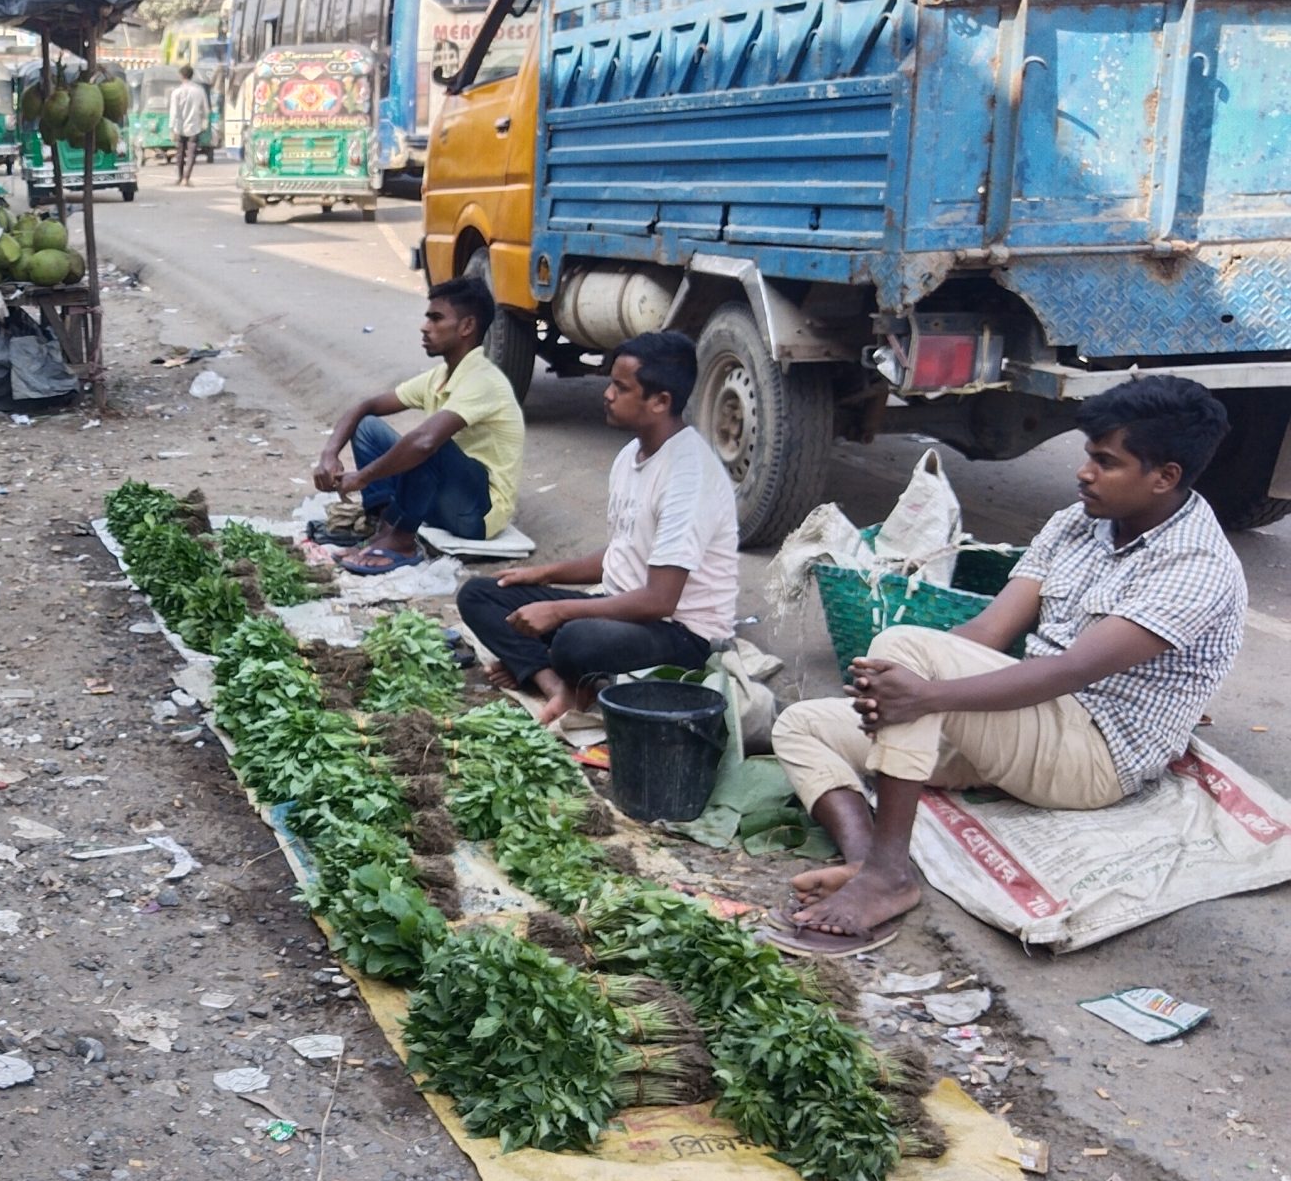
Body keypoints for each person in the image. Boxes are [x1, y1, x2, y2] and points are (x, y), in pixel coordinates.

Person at [766, 376, 1247, 957]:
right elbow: (986, 633)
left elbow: (1068, 672)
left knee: (909, 655)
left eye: (1105, 461)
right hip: (1020, 727)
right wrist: (893, 689)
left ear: (1165, 477)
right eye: (1087, 455)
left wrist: (925, 694)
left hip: (1091, 754)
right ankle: (868, 860)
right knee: (803, 723)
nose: (1084, 472)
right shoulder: (1075, 524)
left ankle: (889, 874)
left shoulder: (1194, 564)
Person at [456, 330, 737, 726]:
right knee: (482, 594)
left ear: (660, 401)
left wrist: (558, 611)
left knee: (576, 638)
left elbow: (660, 601)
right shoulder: (631, 455)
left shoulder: (688, 475)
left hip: (680, 634)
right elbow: (624, 550)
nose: (606, 394)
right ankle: (557, 684)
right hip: (620, 607)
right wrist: (541, 574)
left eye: (621, 388)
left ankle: (546, 666)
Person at [312, 277, 525, 573]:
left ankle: (402, 541)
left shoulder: (484, 380)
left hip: (477, 514)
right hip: (441, 499)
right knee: (368, 427)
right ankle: (385, 527)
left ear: (466, 327)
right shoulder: (440, 376)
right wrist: (329, 454)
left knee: (427, 442)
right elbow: (366, 407)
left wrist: (362, 477)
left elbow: (425, 443)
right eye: (427, 317)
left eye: (436, 318)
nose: (425, 327)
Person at [167, 65, 210, 187]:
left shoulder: (176, 92)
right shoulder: (199, 90)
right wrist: (204, 122)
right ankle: (186, 178)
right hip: (194, 126)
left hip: (179, 127)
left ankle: (180, 177)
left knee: (180, 153)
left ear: (181, 76)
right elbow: (206, 109)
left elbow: (174, 112)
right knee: (191, 153)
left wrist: (172, 128)